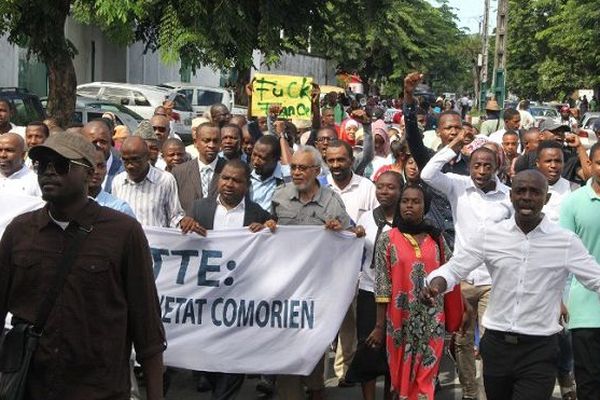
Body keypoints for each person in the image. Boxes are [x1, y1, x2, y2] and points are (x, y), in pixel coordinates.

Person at [2, 131, 166, 399]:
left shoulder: (123, 232)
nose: (49, 173)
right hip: (31, 385)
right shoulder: (20, 232)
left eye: (61, 165)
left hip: (99, 388)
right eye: (42, 165)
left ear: (90, 175)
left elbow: (146, 324)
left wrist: (155, 395)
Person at [423, 169, 600, 400]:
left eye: (535, 192)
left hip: (540, 349)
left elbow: (596, 278)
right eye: (521, 191)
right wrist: (436, 284)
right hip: (497, 346)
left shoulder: (565, 241)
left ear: (545, 199)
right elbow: (454, 268)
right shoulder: (490, 235)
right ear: (511, 196)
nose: (527, 196)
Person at [421, 130, 512, 400]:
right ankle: (470, 392)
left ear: (497, 167)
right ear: (468, 165)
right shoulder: (457, 186)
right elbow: (427, 174)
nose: (482, 170)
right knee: (460, 339)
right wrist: (455, 145)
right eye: (476, 165)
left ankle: (488, 392)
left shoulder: (508, 197)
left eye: (487, 165)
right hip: (461, 278)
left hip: (494, 281)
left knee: (490, 342)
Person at [178, 159, 272, 400]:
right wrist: (184, 225)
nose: (229, 184)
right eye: (225, 178)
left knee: (233, 364)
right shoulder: (199, 208)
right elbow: (182, 245)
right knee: (206, 362)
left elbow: (273, 248)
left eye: (236, 180)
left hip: (239, 303)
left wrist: (270, 229)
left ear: (247, 185)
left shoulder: (257, 214)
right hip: (205, 301)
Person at [272, 145, 352, 400]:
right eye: (294, 167)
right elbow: (266, 234)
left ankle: (316, 389)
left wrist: (342, 229)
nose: (296, 172)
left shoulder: (331, 200)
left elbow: (350, 236)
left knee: (314, 344)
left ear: (317, 171)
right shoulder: (280, 197)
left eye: (302, 168)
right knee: (286, 345)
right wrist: (266, 226)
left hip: (318, 290)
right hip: (286, 288)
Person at [371, 183, 459, 400]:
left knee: (426, 380)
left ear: (425, 206)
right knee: (400, 383)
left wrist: (461, 308)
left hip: (433, 319)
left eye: (416, 201)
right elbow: (382, 285)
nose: (409, 205)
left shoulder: (437, 238)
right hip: (399, 322)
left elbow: (452, 271)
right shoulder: (387, 239)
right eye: (405, 201)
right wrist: (380, 327)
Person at [324, 140, 379, 387]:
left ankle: (353, 370)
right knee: (334, 322)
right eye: (331, 160)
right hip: (327, 269)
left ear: (351, 160)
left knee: (357, 323)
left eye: (341, 160)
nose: (336, 165)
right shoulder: (321, 187)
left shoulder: (367, 187)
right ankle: (333, 373)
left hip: (361, 268)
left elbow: (378, 223)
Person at [346, 171, 402, 400]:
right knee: (368, 346)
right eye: (380, 187)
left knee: (395, 349)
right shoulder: (366, 218)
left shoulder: (407, 219)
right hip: (369, 290)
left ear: (400, 190)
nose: (384, 192)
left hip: (400, 294)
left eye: (390, 187)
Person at [560, 142, 600, 400]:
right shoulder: (573, 203)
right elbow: (562, 257)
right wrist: (559, 299)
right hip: (585, 310)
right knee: (589, 381)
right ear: (591, 165)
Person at [112, 136, 185, 227]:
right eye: (126, 160)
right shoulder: (118, 181)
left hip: (156, 240)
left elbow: (174, 217)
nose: (130, 165)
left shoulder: (165, 180)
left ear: (147, 157)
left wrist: (183, 223)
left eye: (135, 159)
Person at [172, 122, 226, 215]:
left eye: (215, 141)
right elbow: (172, 207)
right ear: (196, 142)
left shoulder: (229, 171)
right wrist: (182, 220)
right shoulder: (179, 172)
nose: (211, 145)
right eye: (206, 140)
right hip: (188, 228)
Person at [536, 140, 579, 222]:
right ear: (538, 163)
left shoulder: (574, 190)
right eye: (548, 161)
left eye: (558, 161)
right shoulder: (528, 190)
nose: (553, 165)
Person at [88, 148, 135, 217]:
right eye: (91, 166)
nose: (96, 171)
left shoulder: (120, 209)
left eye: (101, 166)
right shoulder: (68, 205)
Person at [249, 134, 291, 211]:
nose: (255, 161)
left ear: (276, 159)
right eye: (254, 155)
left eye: (262, 158)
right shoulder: (246, 175)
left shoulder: (285, 179)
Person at [82, 119, 124, 193]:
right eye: (94, 142)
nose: (99, 146)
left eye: (103, 142)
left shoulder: (123, 171)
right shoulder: (75, 170)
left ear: (110, 141)